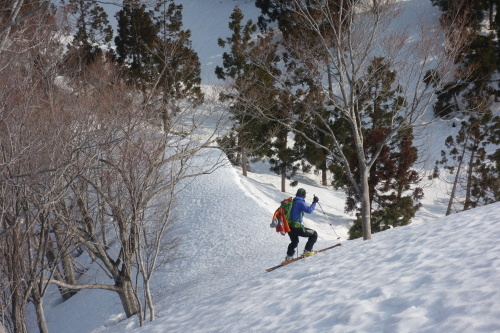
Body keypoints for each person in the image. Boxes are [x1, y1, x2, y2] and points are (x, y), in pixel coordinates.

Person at [285, 188, 319, 262]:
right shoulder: (300, 202)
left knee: (294, 242)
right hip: (296, 227)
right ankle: (307, 251)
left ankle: (289, 257)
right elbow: (309, 210)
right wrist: (314, 202)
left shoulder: (292, 201)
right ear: (304, 195)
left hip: (288, 226)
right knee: (314, 234)